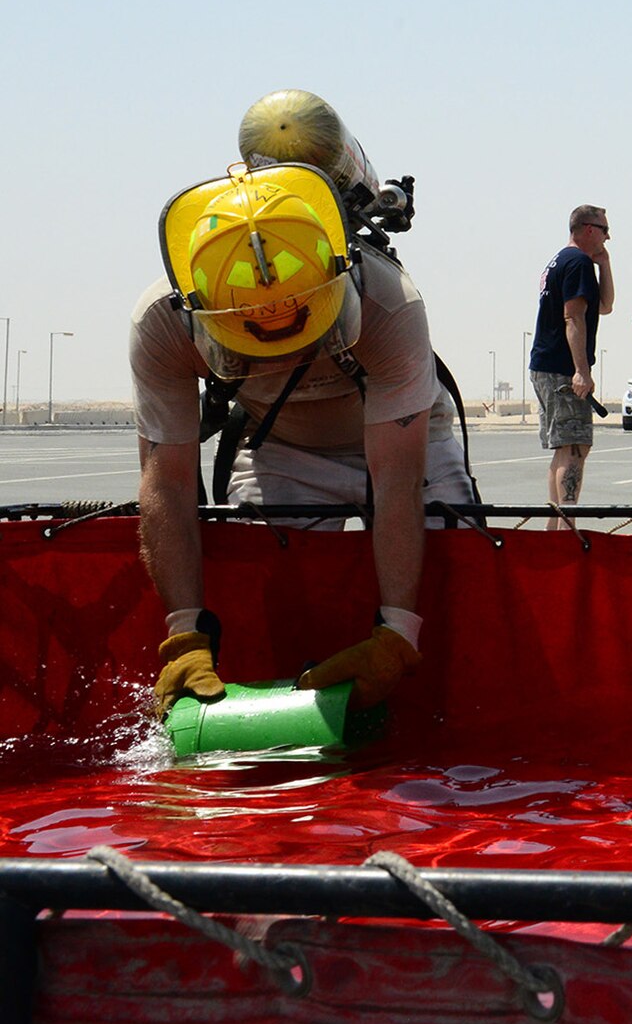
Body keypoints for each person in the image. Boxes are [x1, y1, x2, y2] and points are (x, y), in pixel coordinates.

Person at [135, 161, 475, 715]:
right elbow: (167, 482)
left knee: (454, 584)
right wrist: (184, 634)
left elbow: (397, 480)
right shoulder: (163, 323)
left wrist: (398, 632)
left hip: (405, 442)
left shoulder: (388, 302)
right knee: (257, 596)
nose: (287, 357)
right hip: (280, 445)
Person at [530, 204, 615, 527]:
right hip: (562, 368)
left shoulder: (563, 261)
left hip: (545, 366)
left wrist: (605, 264)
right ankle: (567, 526)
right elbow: (573, 316)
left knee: (564, 447)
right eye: (605, 230)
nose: (608, 237)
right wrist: (582, 370)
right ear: (589, 229)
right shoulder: (577, 262)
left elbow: (604, 306)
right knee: (576, 446)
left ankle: (556, 527)